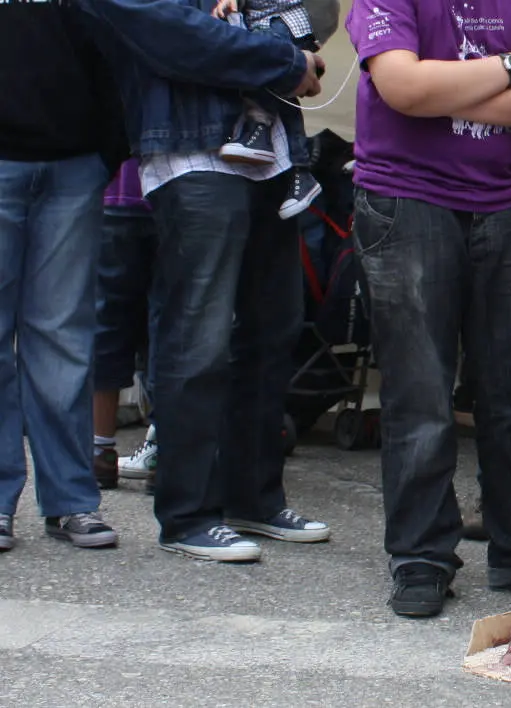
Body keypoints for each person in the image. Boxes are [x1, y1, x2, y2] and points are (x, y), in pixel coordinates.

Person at [348, 0, 511, 618]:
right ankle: (420, 556)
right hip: (405, 197)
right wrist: (510, 67)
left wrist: (440, 95)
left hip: (505, 200)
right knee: (420, 392)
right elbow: (401, 87)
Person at [79, 0, 332, 562]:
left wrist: (293, 51)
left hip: (273, 153)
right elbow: (171, 35)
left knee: (273, 329)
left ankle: (253, 499)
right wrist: (284, 61)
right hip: (190, 148)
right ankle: (187, 515)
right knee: (199, 338)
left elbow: (310, 15)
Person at [0, 0, 129, 552]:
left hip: (74, 162)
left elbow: (114, 38)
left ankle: (72, 500)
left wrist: (108, 149)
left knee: (64, 338)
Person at [212, 0, 324, 220]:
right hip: (270, 23)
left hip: (281, 21)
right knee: (284, 97)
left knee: (262, 63)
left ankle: (259, 131)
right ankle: (301, 174)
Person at [92, 159, 159, 493]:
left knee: (107, 322)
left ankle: (99, 450)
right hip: (176, 190)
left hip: (116, 189)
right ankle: (165, 448)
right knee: (171, 324)